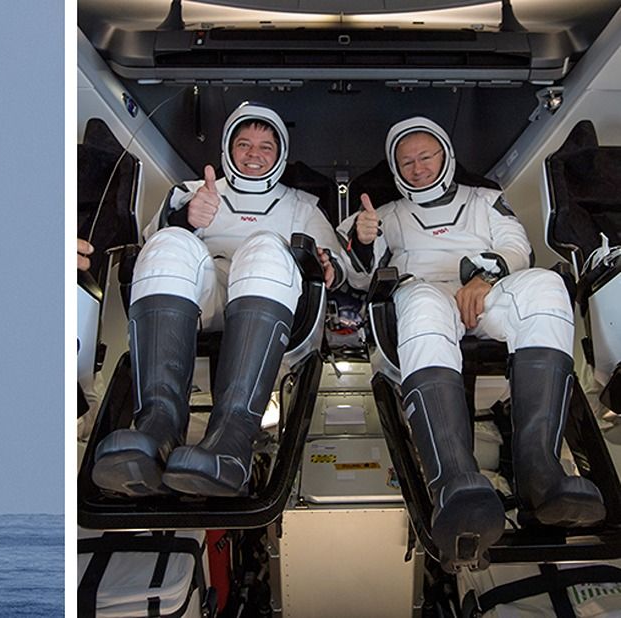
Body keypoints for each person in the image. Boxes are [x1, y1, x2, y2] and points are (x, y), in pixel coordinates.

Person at [338, 116, 605, 571]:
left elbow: (518, 249)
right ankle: (454, 479)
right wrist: (362, 240)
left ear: (446, 155)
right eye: (406, 162)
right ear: (395, 169)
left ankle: (541, 471)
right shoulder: (382, 215)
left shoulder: (486, 200)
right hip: (424, 296)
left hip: (487, 292)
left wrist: (485, 276)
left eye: (426, 156)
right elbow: (357, 276)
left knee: (544, 285)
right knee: (420, 300)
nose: (418, 168)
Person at [92, 102, 345, 498]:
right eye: (244, 144)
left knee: (263, 247)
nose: (254, 155)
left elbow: (336, 262)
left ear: (281, 154)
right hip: (203, 301)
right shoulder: (191, 193)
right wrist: (186, 220)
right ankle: (157, 426)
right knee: (169, 242)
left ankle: (232, 440)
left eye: (266, 147)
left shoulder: (302, 207)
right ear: (228, 148)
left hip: (271, 301)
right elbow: (147, 243)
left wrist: (328, 264)